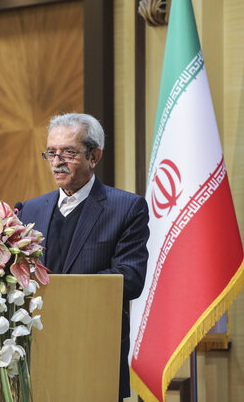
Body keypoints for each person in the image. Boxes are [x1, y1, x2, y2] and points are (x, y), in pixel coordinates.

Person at [17, 113, 149, 400]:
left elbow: (130, 277)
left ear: (94, 156)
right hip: (36, 352)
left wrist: (62, 292)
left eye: (68, 152)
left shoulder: (126, 209)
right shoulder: (30, 210)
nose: (56, 162)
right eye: (51, 152)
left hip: (93, 351)